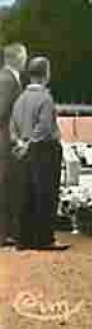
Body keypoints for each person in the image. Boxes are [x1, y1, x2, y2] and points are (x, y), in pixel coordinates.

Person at [10, 55, 68, 252]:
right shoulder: (45, 98)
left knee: (27, 193)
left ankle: (24, 238)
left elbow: (12, 125)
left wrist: (20, 142)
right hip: (44, 149)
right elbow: (44, 127)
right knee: (46, 193)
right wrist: (30, 143)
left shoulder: (20, 99)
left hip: (24, 151)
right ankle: (44, 238)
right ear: (46, 74)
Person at [0, 43, 27, 246]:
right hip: (5, 143)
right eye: (24, 56)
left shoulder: (8, 79)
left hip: (7, 142)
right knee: (5, 186)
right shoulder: (7, 80)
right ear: (18, 58)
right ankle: (4, 233)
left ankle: (7, 231)